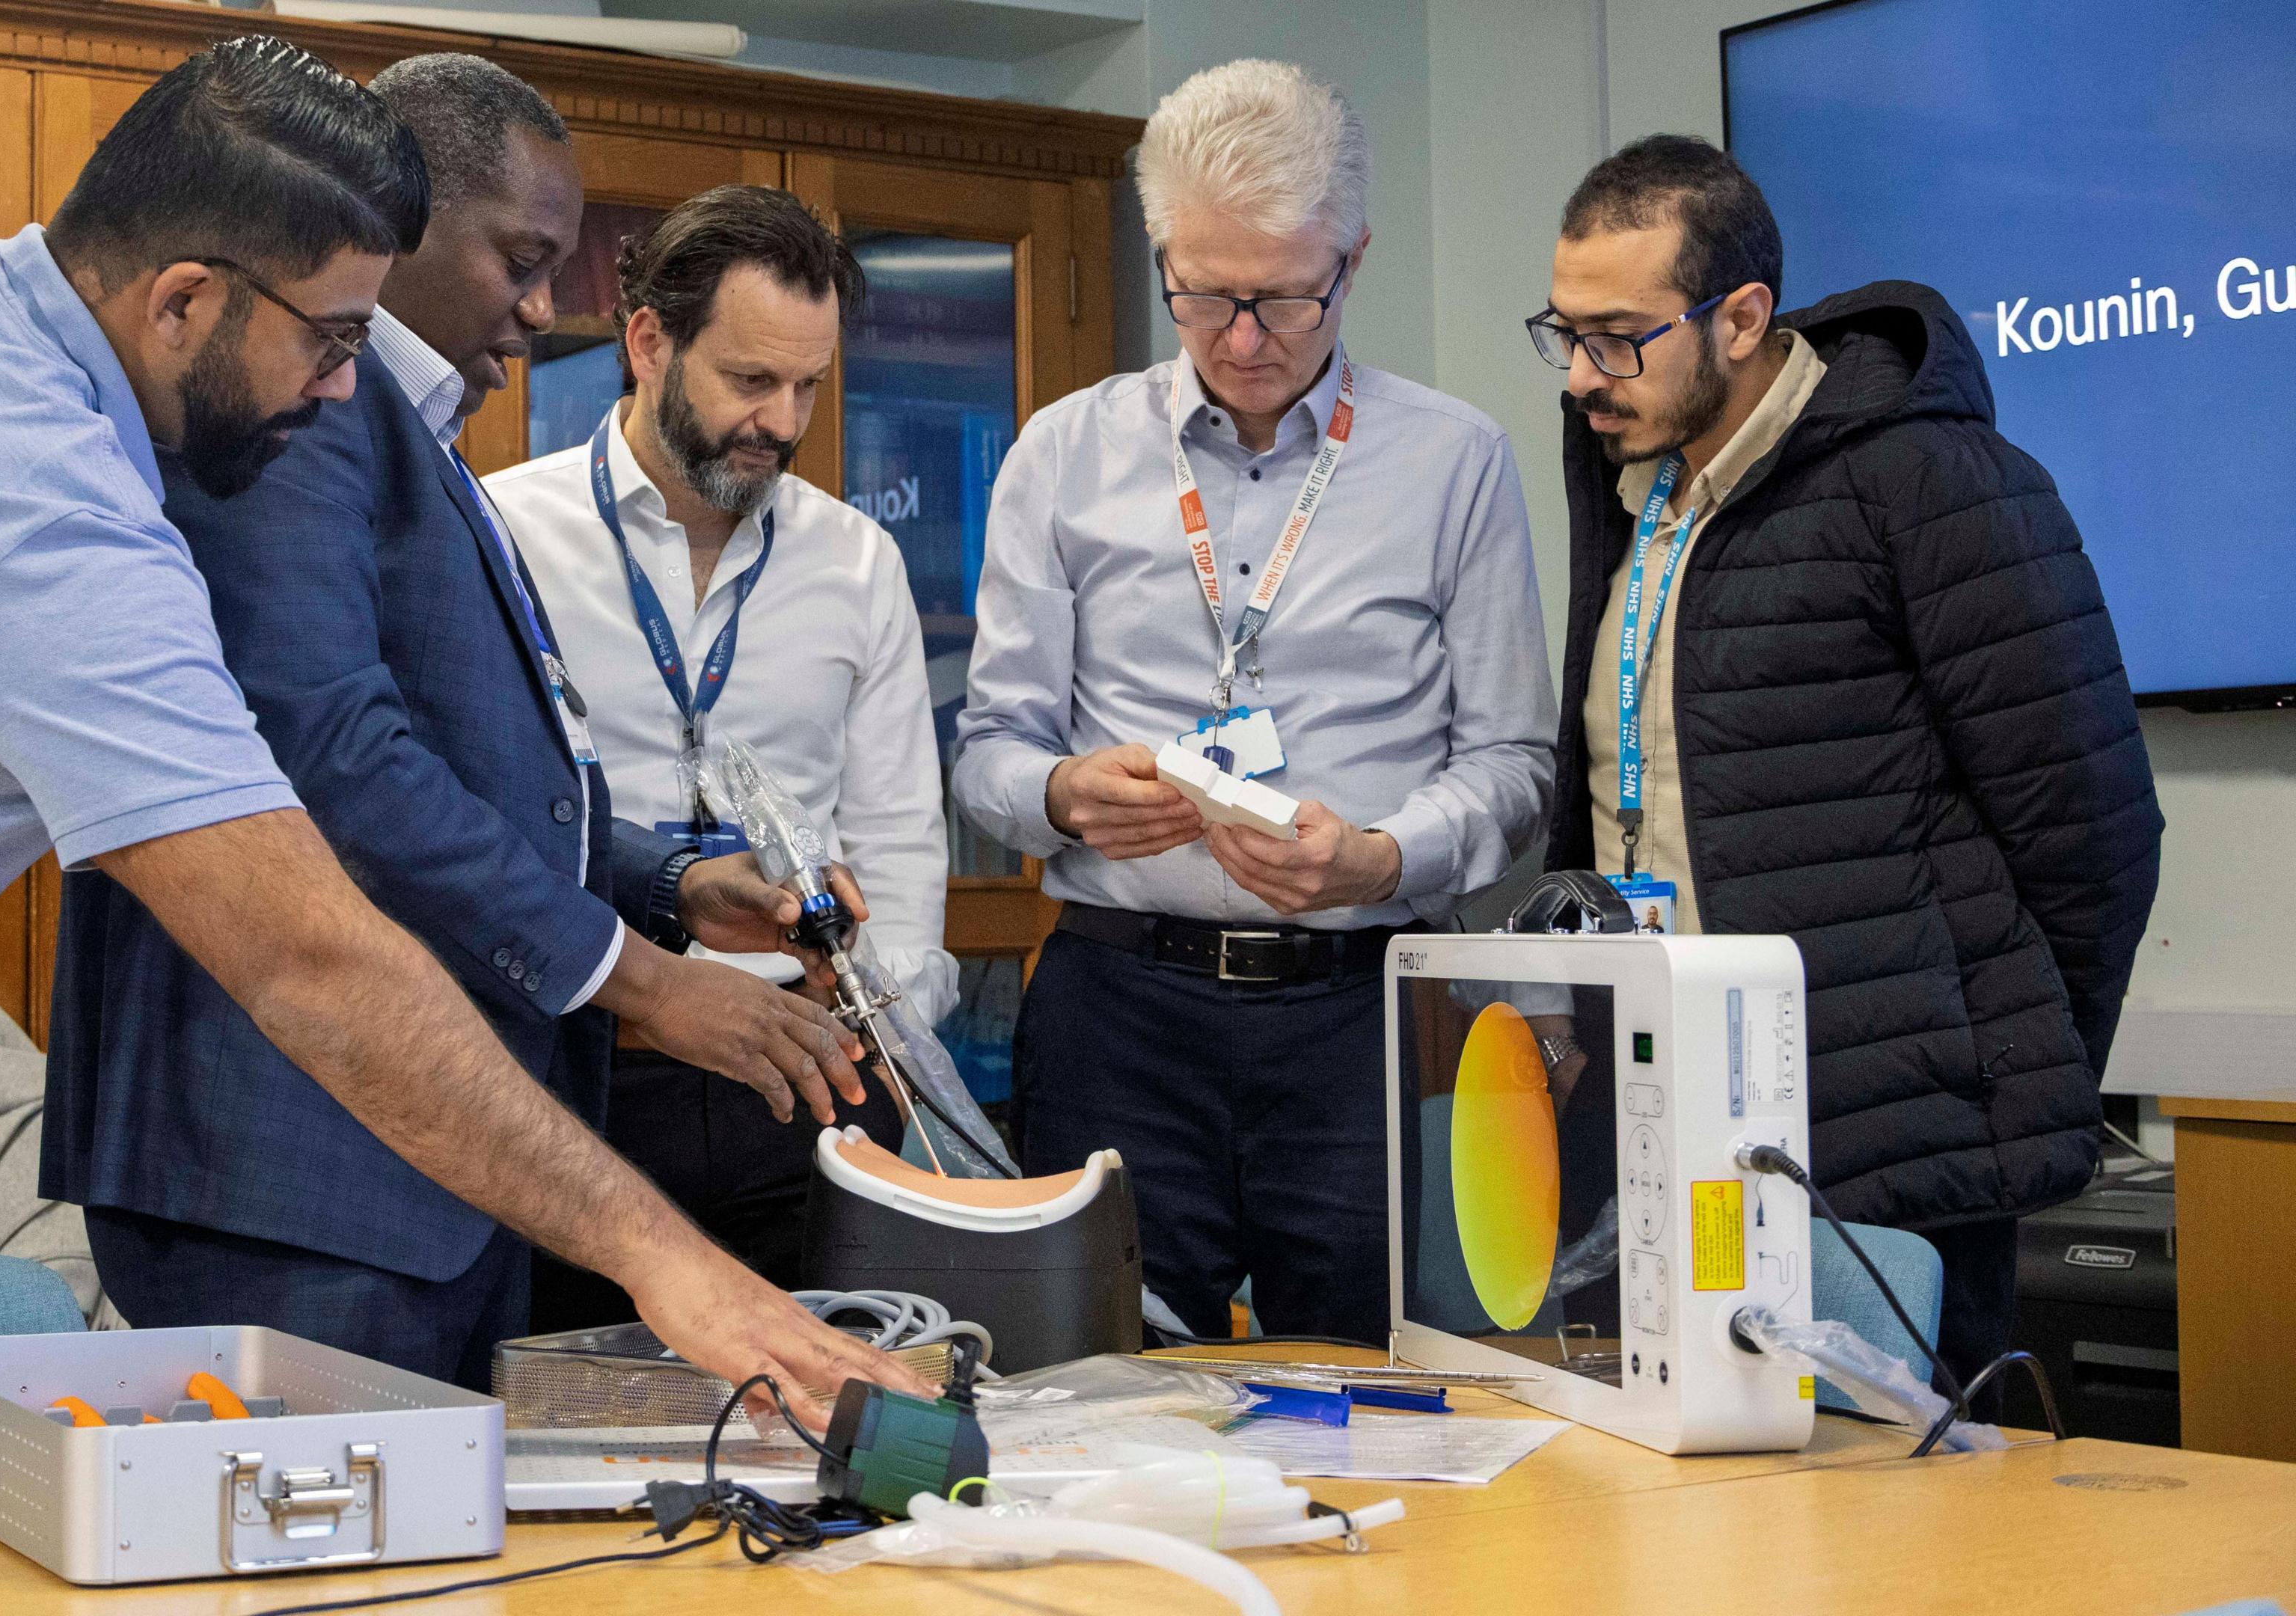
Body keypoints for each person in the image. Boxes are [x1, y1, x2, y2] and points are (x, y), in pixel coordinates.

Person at [0, 36, 908, 1415]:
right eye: (333, 343)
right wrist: (668, 1260)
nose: (347, 389)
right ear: (188, 298)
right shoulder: (54, 534)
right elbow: (312, 956)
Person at [45, 56, 887, 1390]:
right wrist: (645, 980)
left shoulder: (403, 424)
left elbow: (483, 778)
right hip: (297, 1172)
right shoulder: (295, 405)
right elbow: (336, 764)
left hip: (410, 1177)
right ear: (401, 220)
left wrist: (669, 880)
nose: (543, 305)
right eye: (521, 257)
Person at [1531, 135, 2161, 1403]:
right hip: (1675, 1129)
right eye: (1564, 332)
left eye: (1619, 337)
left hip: (1895, 1145)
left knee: (1910, 1545)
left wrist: (1987, 1073)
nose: (1585, 376)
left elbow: (2091, 833)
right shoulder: (1633, 486)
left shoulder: (1927, 480)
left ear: (1745, 317)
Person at [952, 60, 1555, 1347]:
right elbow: (990, 746)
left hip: (1366, 1006)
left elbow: (1512, 759)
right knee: (1099, 1388)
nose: (1239, 338)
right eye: (1204, 294)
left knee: (1377, 1389)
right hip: (1122, 1010)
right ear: (1164, 252)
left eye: (1283, 298)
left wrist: (1383, 857)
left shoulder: (1454, 461)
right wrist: (1062, 796)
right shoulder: (1063, 452)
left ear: (1354, 257)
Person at [489, 186, 934, 1323]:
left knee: (828, 1430)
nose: (782, 422)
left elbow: (896, 836)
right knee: (566, 1430)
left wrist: (883, 1034)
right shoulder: (501, 536)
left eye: (809, 387)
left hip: (805, 1081)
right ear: (648, 342)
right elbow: (478, 822)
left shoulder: (859, 562)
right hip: (572, 1070)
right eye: (749, 381)